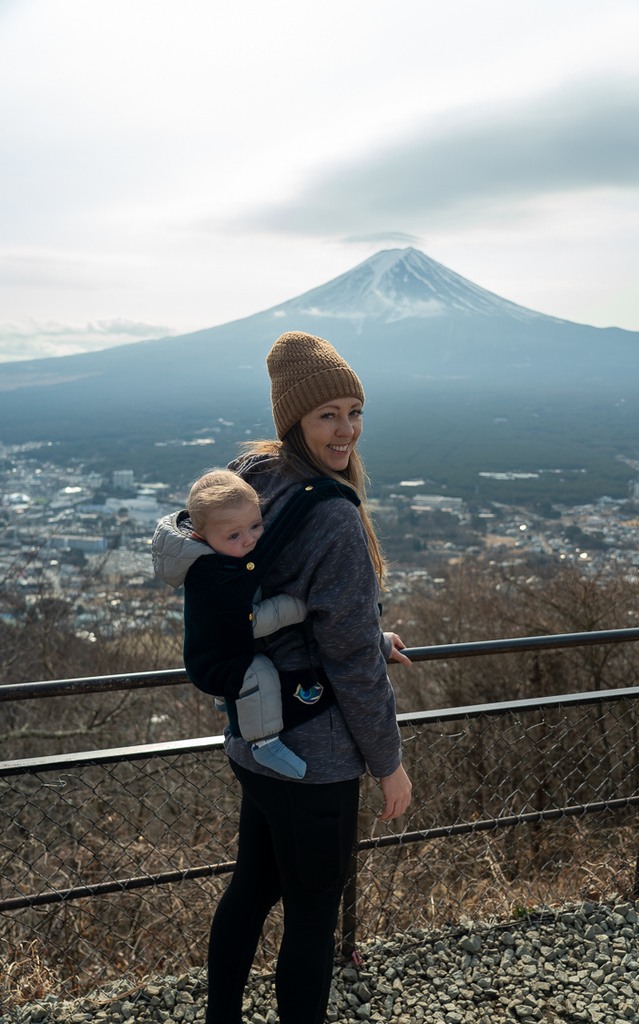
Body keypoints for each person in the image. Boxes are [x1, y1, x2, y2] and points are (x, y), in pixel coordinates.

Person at [202, 330, 413, 1024]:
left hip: (255, 735)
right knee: (312, 919)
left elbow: (299, 611)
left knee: (250, 889)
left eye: (354, 411)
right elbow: (350, 662)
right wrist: (388, 764)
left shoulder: (251, 475)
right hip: (316, 759)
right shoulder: (332, 514)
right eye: (327, 414)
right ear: (294, 418)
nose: (346, 429)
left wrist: (362, 632)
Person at [151, 468, 311, 779]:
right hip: (214, 664)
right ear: (201, 536)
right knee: (261, 671)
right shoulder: (214, 577)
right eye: (234, 535)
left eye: (255, 526)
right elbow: (249, 622)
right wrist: (300, 606)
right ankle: (264, 743)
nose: (250, 540)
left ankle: (229, 700)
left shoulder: (213, 558)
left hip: (211, 648)